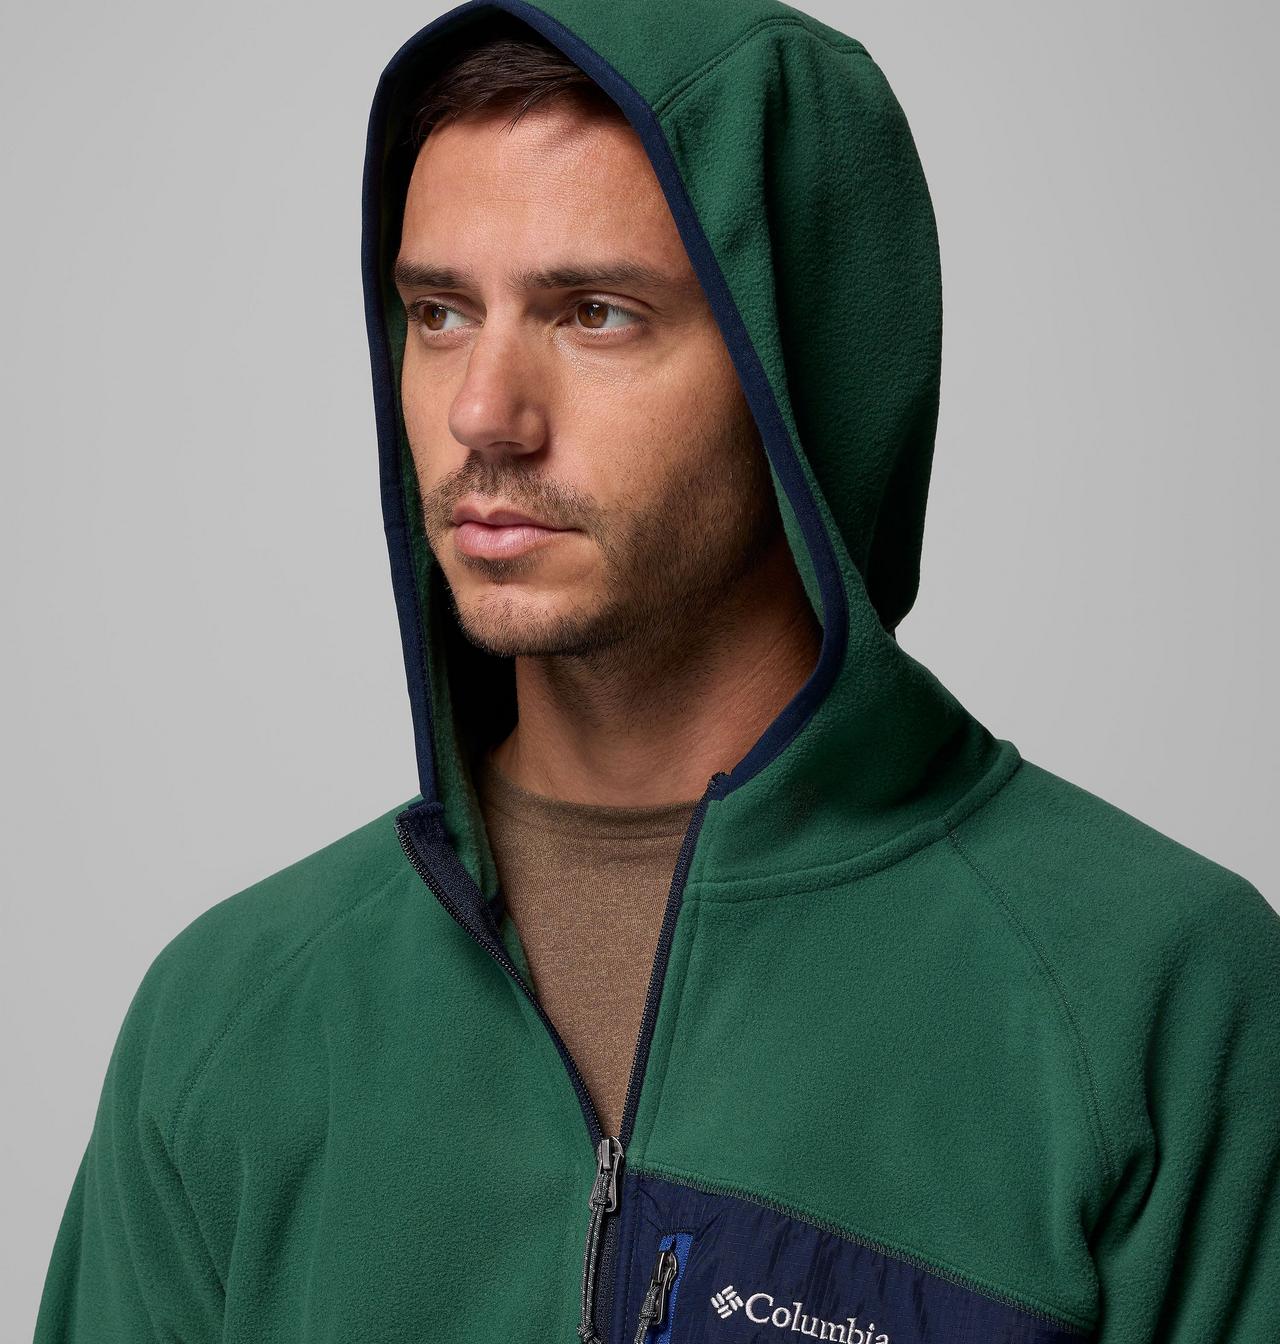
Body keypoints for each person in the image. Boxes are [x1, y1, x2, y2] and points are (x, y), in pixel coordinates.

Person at [34, 1, 1279, 1341]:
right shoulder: (229, 1023)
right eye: (439, 312)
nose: (482, 412)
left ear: (796, 370)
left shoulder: (1154, 999)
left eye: (596, 314)